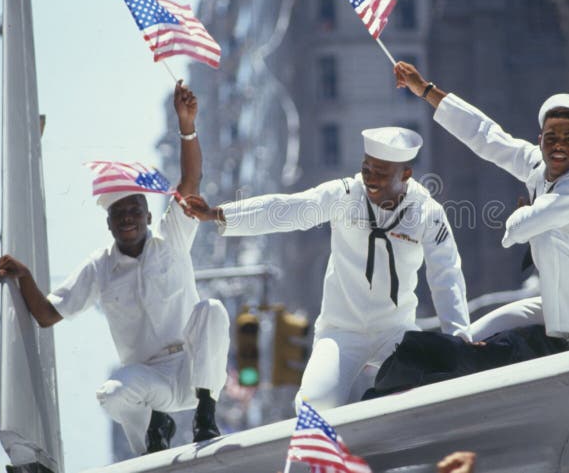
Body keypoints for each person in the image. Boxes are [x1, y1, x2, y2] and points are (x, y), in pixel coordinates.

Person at [0, 81, 229, 456]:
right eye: (118, 215)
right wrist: (24, 277)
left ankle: (206, 413)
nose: (127, 220)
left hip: (192, 369)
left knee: (212, 311)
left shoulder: (171, 237)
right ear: (108, 224)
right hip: (150, 381)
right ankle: (153, 441)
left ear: (148, 214)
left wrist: (187, 125)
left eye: (134, 211)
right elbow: (46, 314)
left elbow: (190, 183)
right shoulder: (99, 267)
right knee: (111, 393)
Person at [183, 127, 472, 410]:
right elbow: (286, 210)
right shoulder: (344, 194)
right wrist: (219, 215)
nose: (370, 179)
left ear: (405, 174)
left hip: (395, 332)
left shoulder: (427, 212)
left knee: (430, 390)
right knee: (315, 404)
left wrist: (459, 338)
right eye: (366, 169)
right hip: (341, 331)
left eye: (381, 173)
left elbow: (446, 274)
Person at [394, 62, 569, 342]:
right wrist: (426, 90)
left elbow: (519, 231)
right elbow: (487, 136)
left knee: (547, 234)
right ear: (540, 140)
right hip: (566, 299)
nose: (558, 146)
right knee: (471, 339)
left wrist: (527, 215)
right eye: (552, 138)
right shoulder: (537, 164)